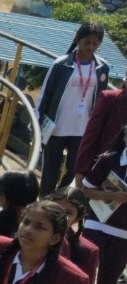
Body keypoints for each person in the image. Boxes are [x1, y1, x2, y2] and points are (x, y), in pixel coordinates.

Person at [36, 22, 110, 191]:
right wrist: (38, 120)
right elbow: (45, 94)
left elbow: (101, 98)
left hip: (83, 129)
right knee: (49, 171)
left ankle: (61, 199)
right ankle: (45, 201)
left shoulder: (102, 67)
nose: (90, 47)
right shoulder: (61, 64)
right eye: (87, 42)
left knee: (76, 169)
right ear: (78, 39)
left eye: (95, 44)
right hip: (57, 127)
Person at [78, 128, 127, 284]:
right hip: (97, 222)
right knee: (83, 268)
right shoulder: (110, 159)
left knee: (109, 277)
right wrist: (111, 195)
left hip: (124, 233)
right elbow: (85, 190)